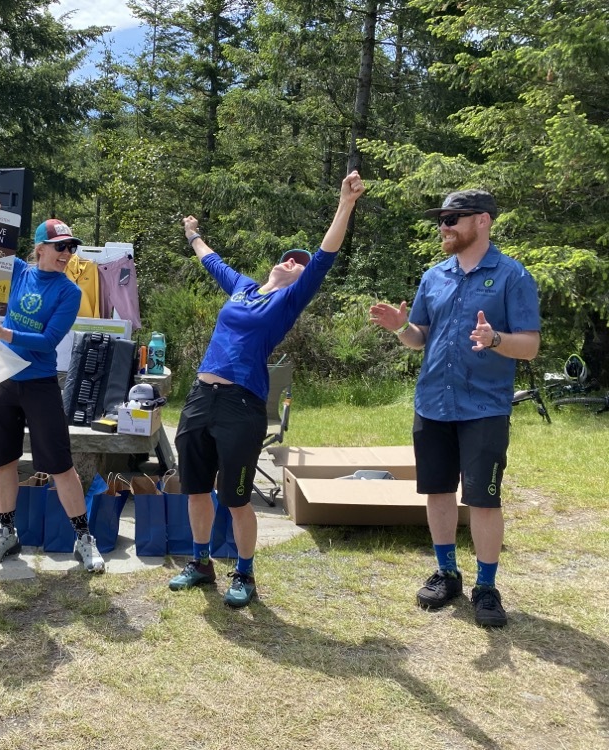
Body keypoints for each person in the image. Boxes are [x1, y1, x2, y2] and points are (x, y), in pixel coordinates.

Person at [170, 171, 366, 607]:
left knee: (236, 497)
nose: (293, 263)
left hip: (242, 404)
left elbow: (324, 255)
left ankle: (244, 573)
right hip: (201, 397)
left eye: (298, 264)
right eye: (289, 259)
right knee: (196, 489)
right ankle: (201, 563)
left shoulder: (288, 302)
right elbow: (212, 261)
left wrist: (345, 205)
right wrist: (192, 234)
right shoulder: (242, 289)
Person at [369, 189, 540, 628]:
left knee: (483, 498)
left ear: (481, 221)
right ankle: (447, 574)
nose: (443, 227)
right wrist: (400, 327)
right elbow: (420, 336)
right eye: (441, 220)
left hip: (484, 407)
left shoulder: (512, 276)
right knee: (438, 491)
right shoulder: (435, 276)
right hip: (433, 404)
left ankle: (486, 586)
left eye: (452, 219)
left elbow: (531, 346)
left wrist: (495, 340)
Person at [0, 192, 105, 573]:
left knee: (61, 465)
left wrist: (3, 333)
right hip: (2, 380)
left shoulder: (70, 291)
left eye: (71, 248)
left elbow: (47, 342)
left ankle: (84, 539)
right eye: (60, 247)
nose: (66, 254)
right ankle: (6, 533)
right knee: (3, 462)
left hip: (40, 383)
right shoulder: (18, 271)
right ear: (40, 248)